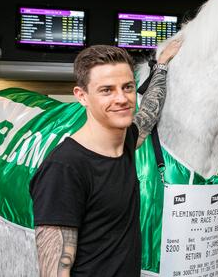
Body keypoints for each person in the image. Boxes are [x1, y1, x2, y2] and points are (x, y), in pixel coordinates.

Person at [29, 41, 182, 276]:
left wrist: (161, 65)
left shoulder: (127, 142)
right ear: (82, 96)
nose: (122, 98)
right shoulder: (64, 168)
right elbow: (54, 270)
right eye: (106, 90)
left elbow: (149, 112)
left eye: (128, 87)